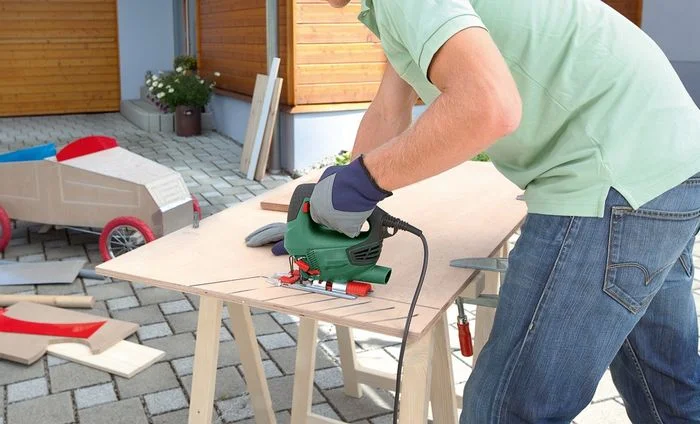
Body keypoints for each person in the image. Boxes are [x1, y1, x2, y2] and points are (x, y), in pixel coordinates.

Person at [249, 0, 700, 421]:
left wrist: (360, 185)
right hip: (667, 162)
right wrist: (327, 214)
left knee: (505, 409)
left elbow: (488, 105)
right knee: (663, 386)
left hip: (609, 179)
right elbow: (389, 110)